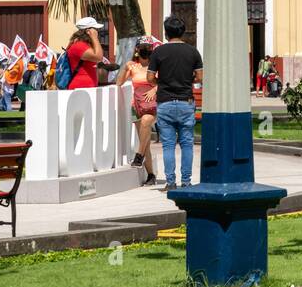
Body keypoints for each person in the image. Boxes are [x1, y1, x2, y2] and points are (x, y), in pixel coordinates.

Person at [147, 16, 203, 191]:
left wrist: (162, 83)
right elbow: (200, 77)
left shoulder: (158, 52)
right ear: (183, 32)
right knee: (187, 144)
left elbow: (149, 78)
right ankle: (186, 182)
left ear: (166, 33)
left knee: (168, 145)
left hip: (165, 102)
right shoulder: (193, 52)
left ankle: (170, 183)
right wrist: (187, 79)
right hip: (186, 102)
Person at [116, 40, 158, 185]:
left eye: (148, 48)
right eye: (143, 48)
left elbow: (164, 82)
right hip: (137, 106)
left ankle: (138, 156)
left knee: (147, 121)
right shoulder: (133, 66)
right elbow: (119, 83)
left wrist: (155, 89)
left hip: (152, 105)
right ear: (137, 50)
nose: (145, 51)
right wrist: (125, 67)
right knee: (144, 141)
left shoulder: (156, 66)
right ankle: (151, 174)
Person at [64, 18, 106, 88]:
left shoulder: (84, 45)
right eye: (95, 29)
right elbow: (98, 57)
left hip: (86, 88)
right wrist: (94, 37)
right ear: (88, 31)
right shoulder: (79, 46)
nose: (97, 32)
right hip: (81, 88)